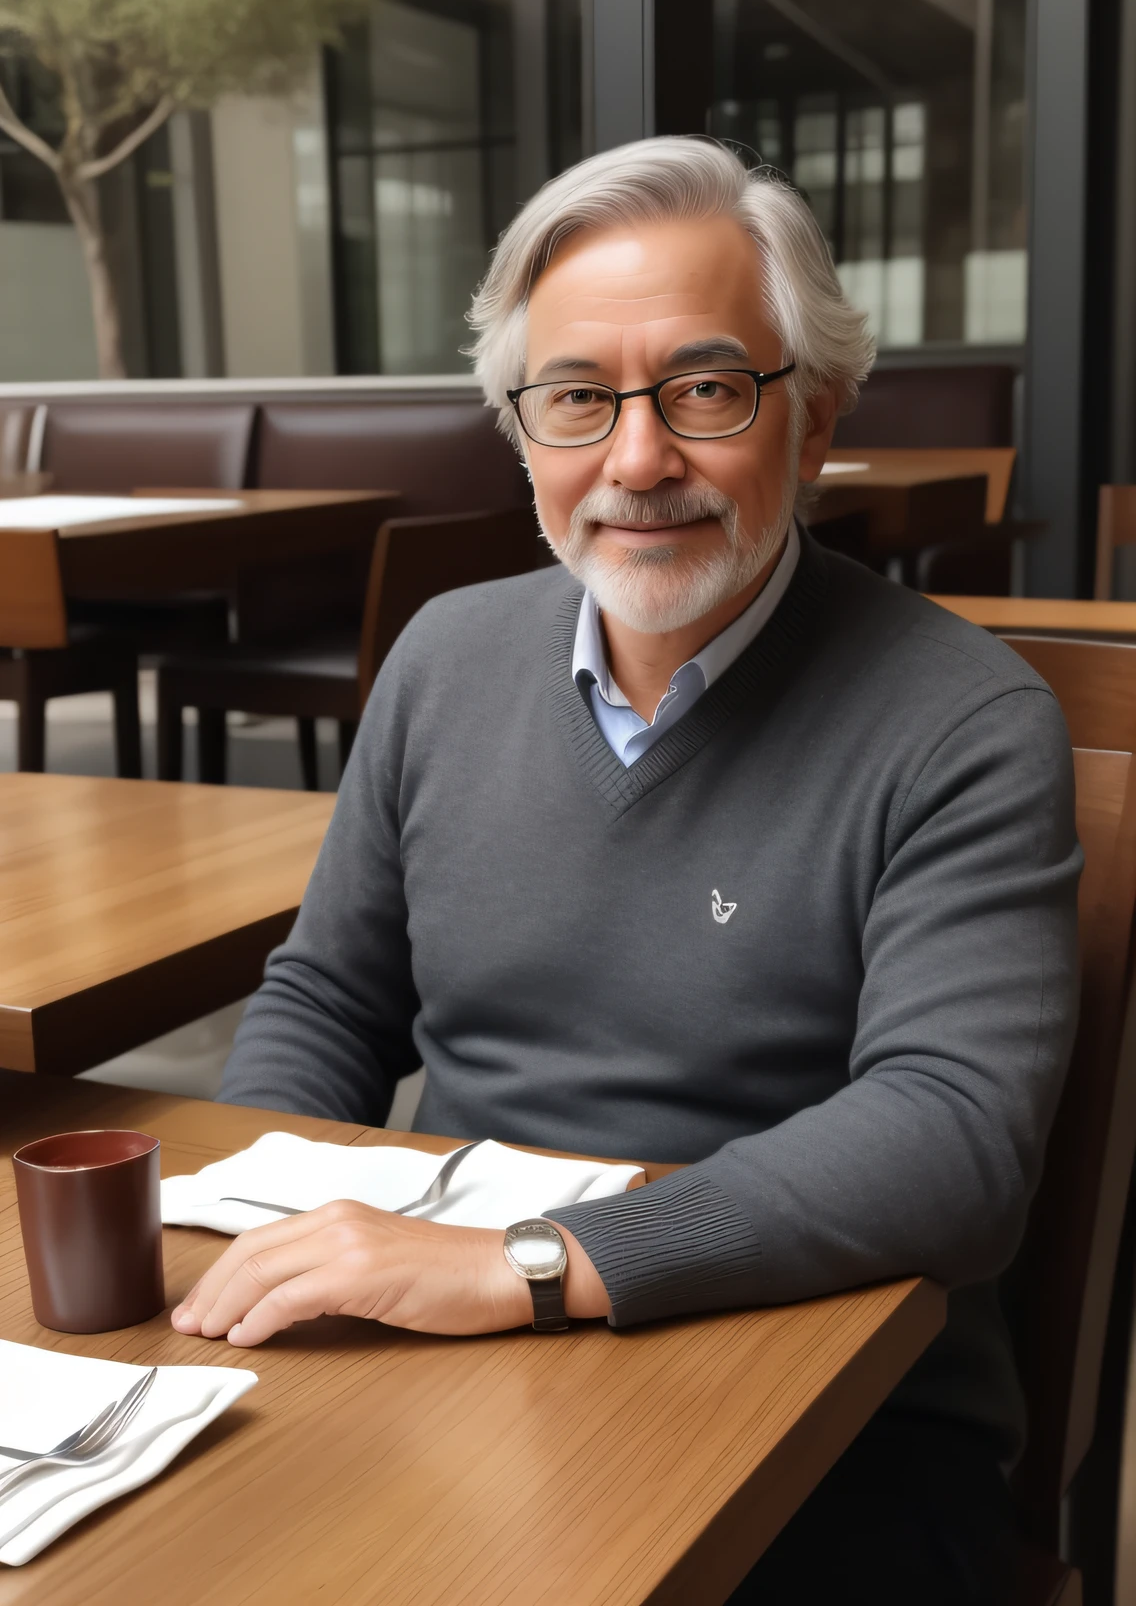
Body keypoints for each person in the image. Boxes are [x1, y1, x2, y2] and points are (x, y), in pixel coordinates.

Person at [173, 138, 1080, 1603]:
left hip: (829, 1415)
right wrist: (249, 1228)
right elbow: (330, 998)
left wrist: (524, 1267)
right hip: (450, 1359)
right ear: (524, 435)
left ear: (817, 418)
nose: (639, 459)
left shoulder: (961, 719)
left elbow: (953, 1141)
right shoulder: (444, 658)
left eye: (708, 390)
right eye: (578, 398)